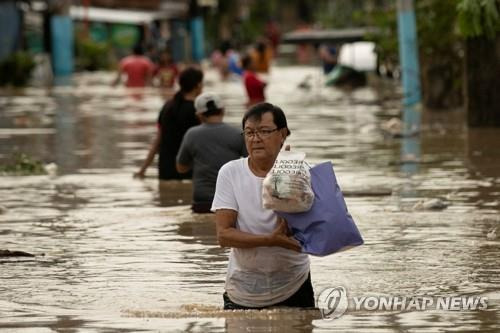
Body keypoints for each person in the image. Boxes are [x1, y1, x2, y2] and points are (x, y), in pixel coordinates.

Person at [211, 103, 314, 310]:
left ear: (283, 134)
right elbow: (224, 235)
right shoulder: (230, 173)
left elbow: (316, 229)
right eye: (249, 132)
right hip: (242, 290)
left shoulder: (301, 170)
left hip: (294, 286)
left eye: (265, 131)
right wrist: (270, 240)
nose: (255, 139)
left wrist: (286, 175)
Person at [176, 92, 247, 213]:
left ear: (199, 115)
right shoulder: (238, 133)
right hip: (230, 199)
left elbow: (181, 168)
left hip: (202, 199)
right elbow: (251, 165)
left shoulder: (191, 134)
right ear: (223, 110)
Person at [134, 67, 203, 180]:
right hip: (188, 170)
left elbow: (158, 140)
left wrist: (143, 169)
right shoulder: (198, 111)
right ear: (198, 85)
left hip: (165, 169)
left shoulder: (168, 107)